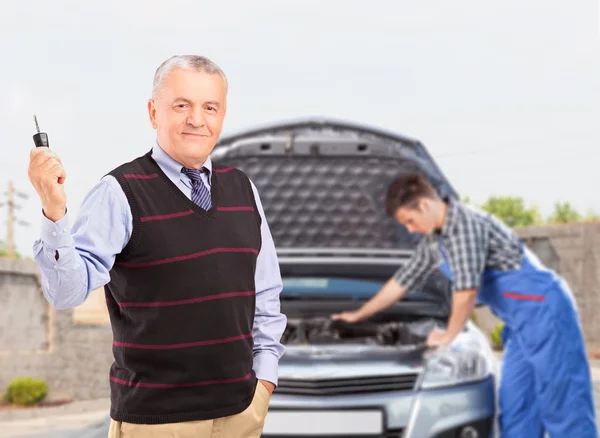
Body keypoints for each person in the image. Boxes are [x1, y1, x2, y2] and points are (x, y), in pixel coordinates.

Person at [27, 55, 287, 438]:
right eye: (182, 105)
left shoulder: (243, 188)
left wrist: (264, 382)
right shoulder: (118, 193)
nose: (197, 119)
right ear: (153, 112)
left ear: (222, 114)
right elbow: (66, 294)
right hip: (157, 423)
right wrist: (54, 210)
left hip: (241, 414)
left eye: (209, 107)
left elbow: (265, 295)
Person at [332, 173, 597, 438]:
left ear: (424, 205)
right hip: (520, 325)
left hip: (546, 311)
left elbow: (467, 289)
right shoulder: (435, 243)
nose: (410, 230)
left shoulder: (465, 224)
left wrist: (449, 335)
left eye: (409, 221)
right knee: (517, 407)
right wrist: (357, 315)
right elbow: (402, 281)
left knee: (563, 401)